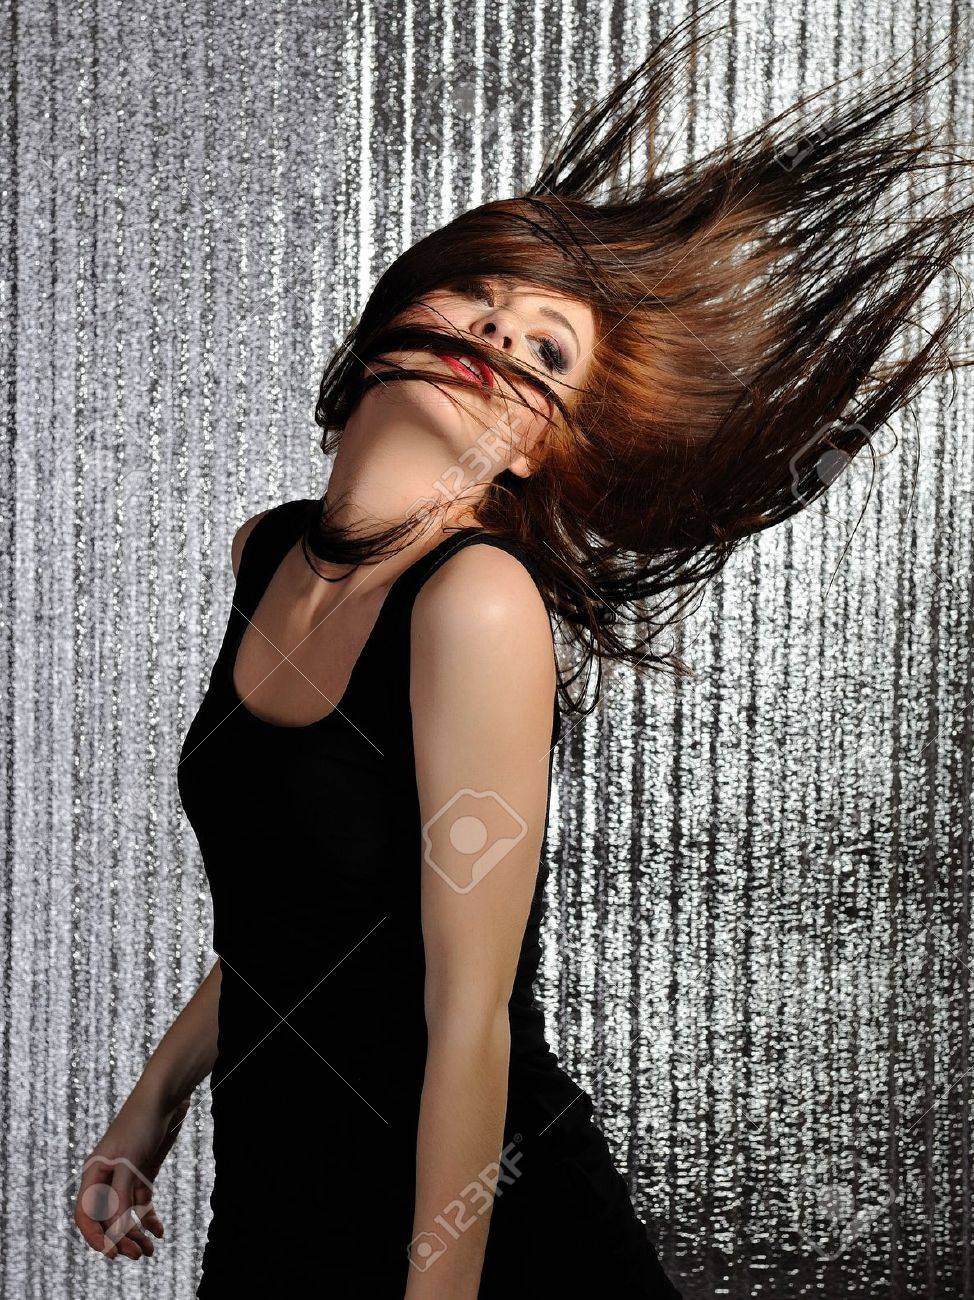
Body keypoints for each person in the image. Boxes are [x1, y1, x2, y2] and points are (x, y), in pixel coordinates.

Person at [72, 10, 974, 1296]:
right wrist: (147, 1111)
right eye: (480, 295)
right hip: (277, 1184)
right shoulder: (264, 553)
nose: (496, 334)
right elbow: (298, 918)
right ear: (402, 309)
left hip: (476, 1212)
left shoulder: (477, 600)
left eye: (546, 350)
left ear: (539, 447)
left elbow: (469, 1013)